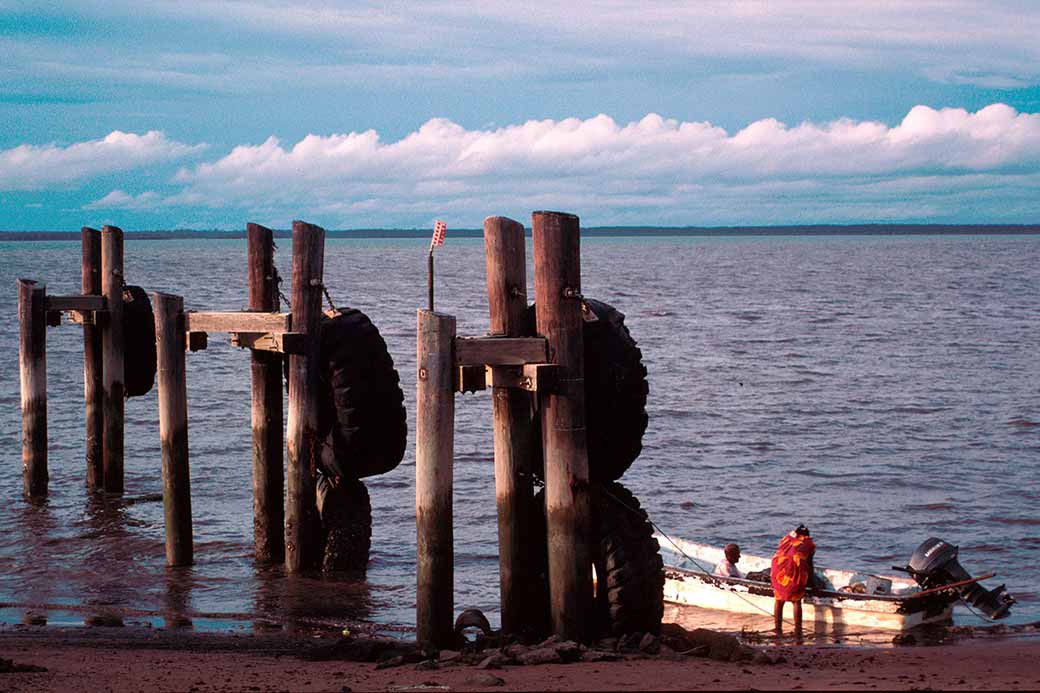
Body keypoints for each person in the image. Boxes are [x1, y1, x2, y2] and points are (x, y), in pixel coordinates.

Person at [770, 525, 816, 637]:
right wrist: (812, 583)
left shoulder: (786, 539)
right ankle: (798, 630)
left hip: (777, 571)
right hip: (793, 572)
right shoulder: (809, 544)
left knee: (779, 600)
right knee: (796, 600)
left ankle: (777, 628)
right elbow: (809, 564)